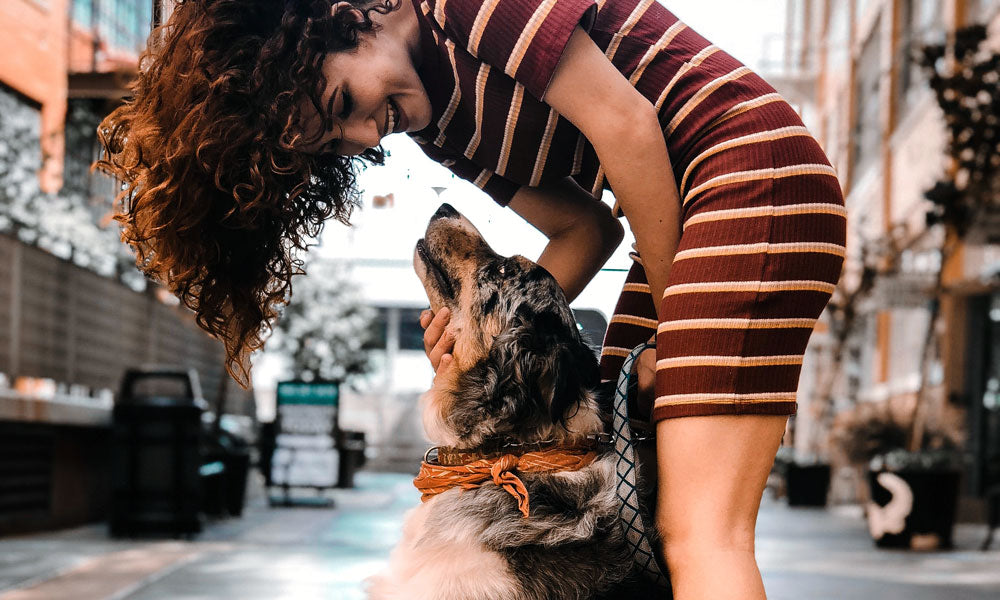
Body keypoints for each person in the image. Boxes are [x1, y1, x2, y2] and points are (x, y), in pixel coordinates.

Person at [98, 0, 847, 597]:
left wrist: (676, 335)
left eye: (345, 100)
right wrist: (479, 327)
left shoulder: (466, 8)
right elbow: (585, 230)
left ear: (353, 11)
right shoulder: (439, 126)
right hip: (682, 209)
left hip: (750, 178)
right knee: (635, 528)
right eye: (335, 141)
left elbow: (628, 127)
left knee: (699, 535)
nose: (364, 135)